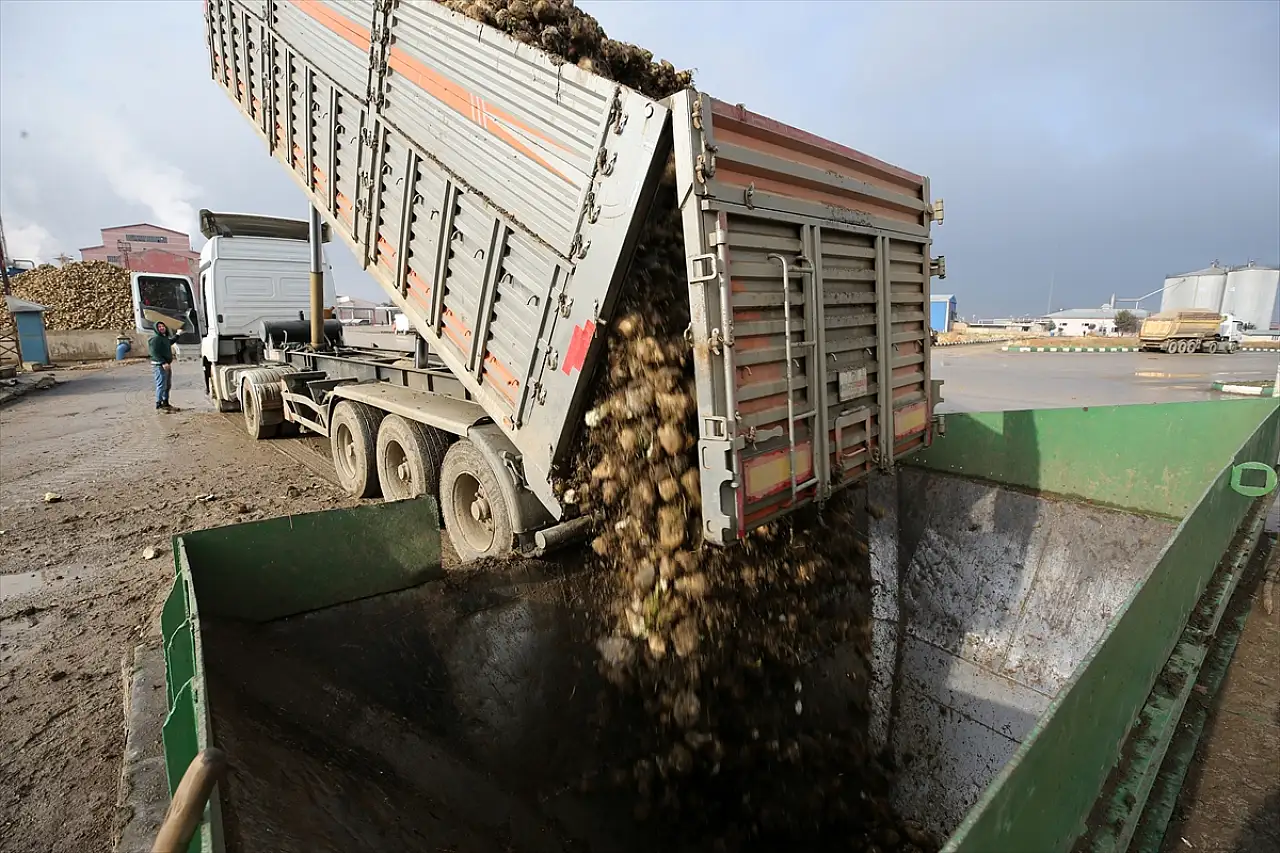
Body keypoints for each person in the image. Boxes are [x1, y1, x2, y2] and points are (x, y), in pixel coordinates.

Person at [148, 321, 180, 412]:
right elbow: (154, 352)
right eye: (159, 327)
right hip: (159, 365)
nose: (162, 328)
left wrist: (178, 334)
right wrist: (163, 362)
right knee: (161, 385)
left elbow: (170, 342)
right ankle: (159, 404)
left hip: (166, 364)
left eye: (163, 326)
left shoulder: (164, 338)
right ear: (156, 329)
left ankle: (166, 403)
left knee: (167, 385)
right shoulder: (155, 339)